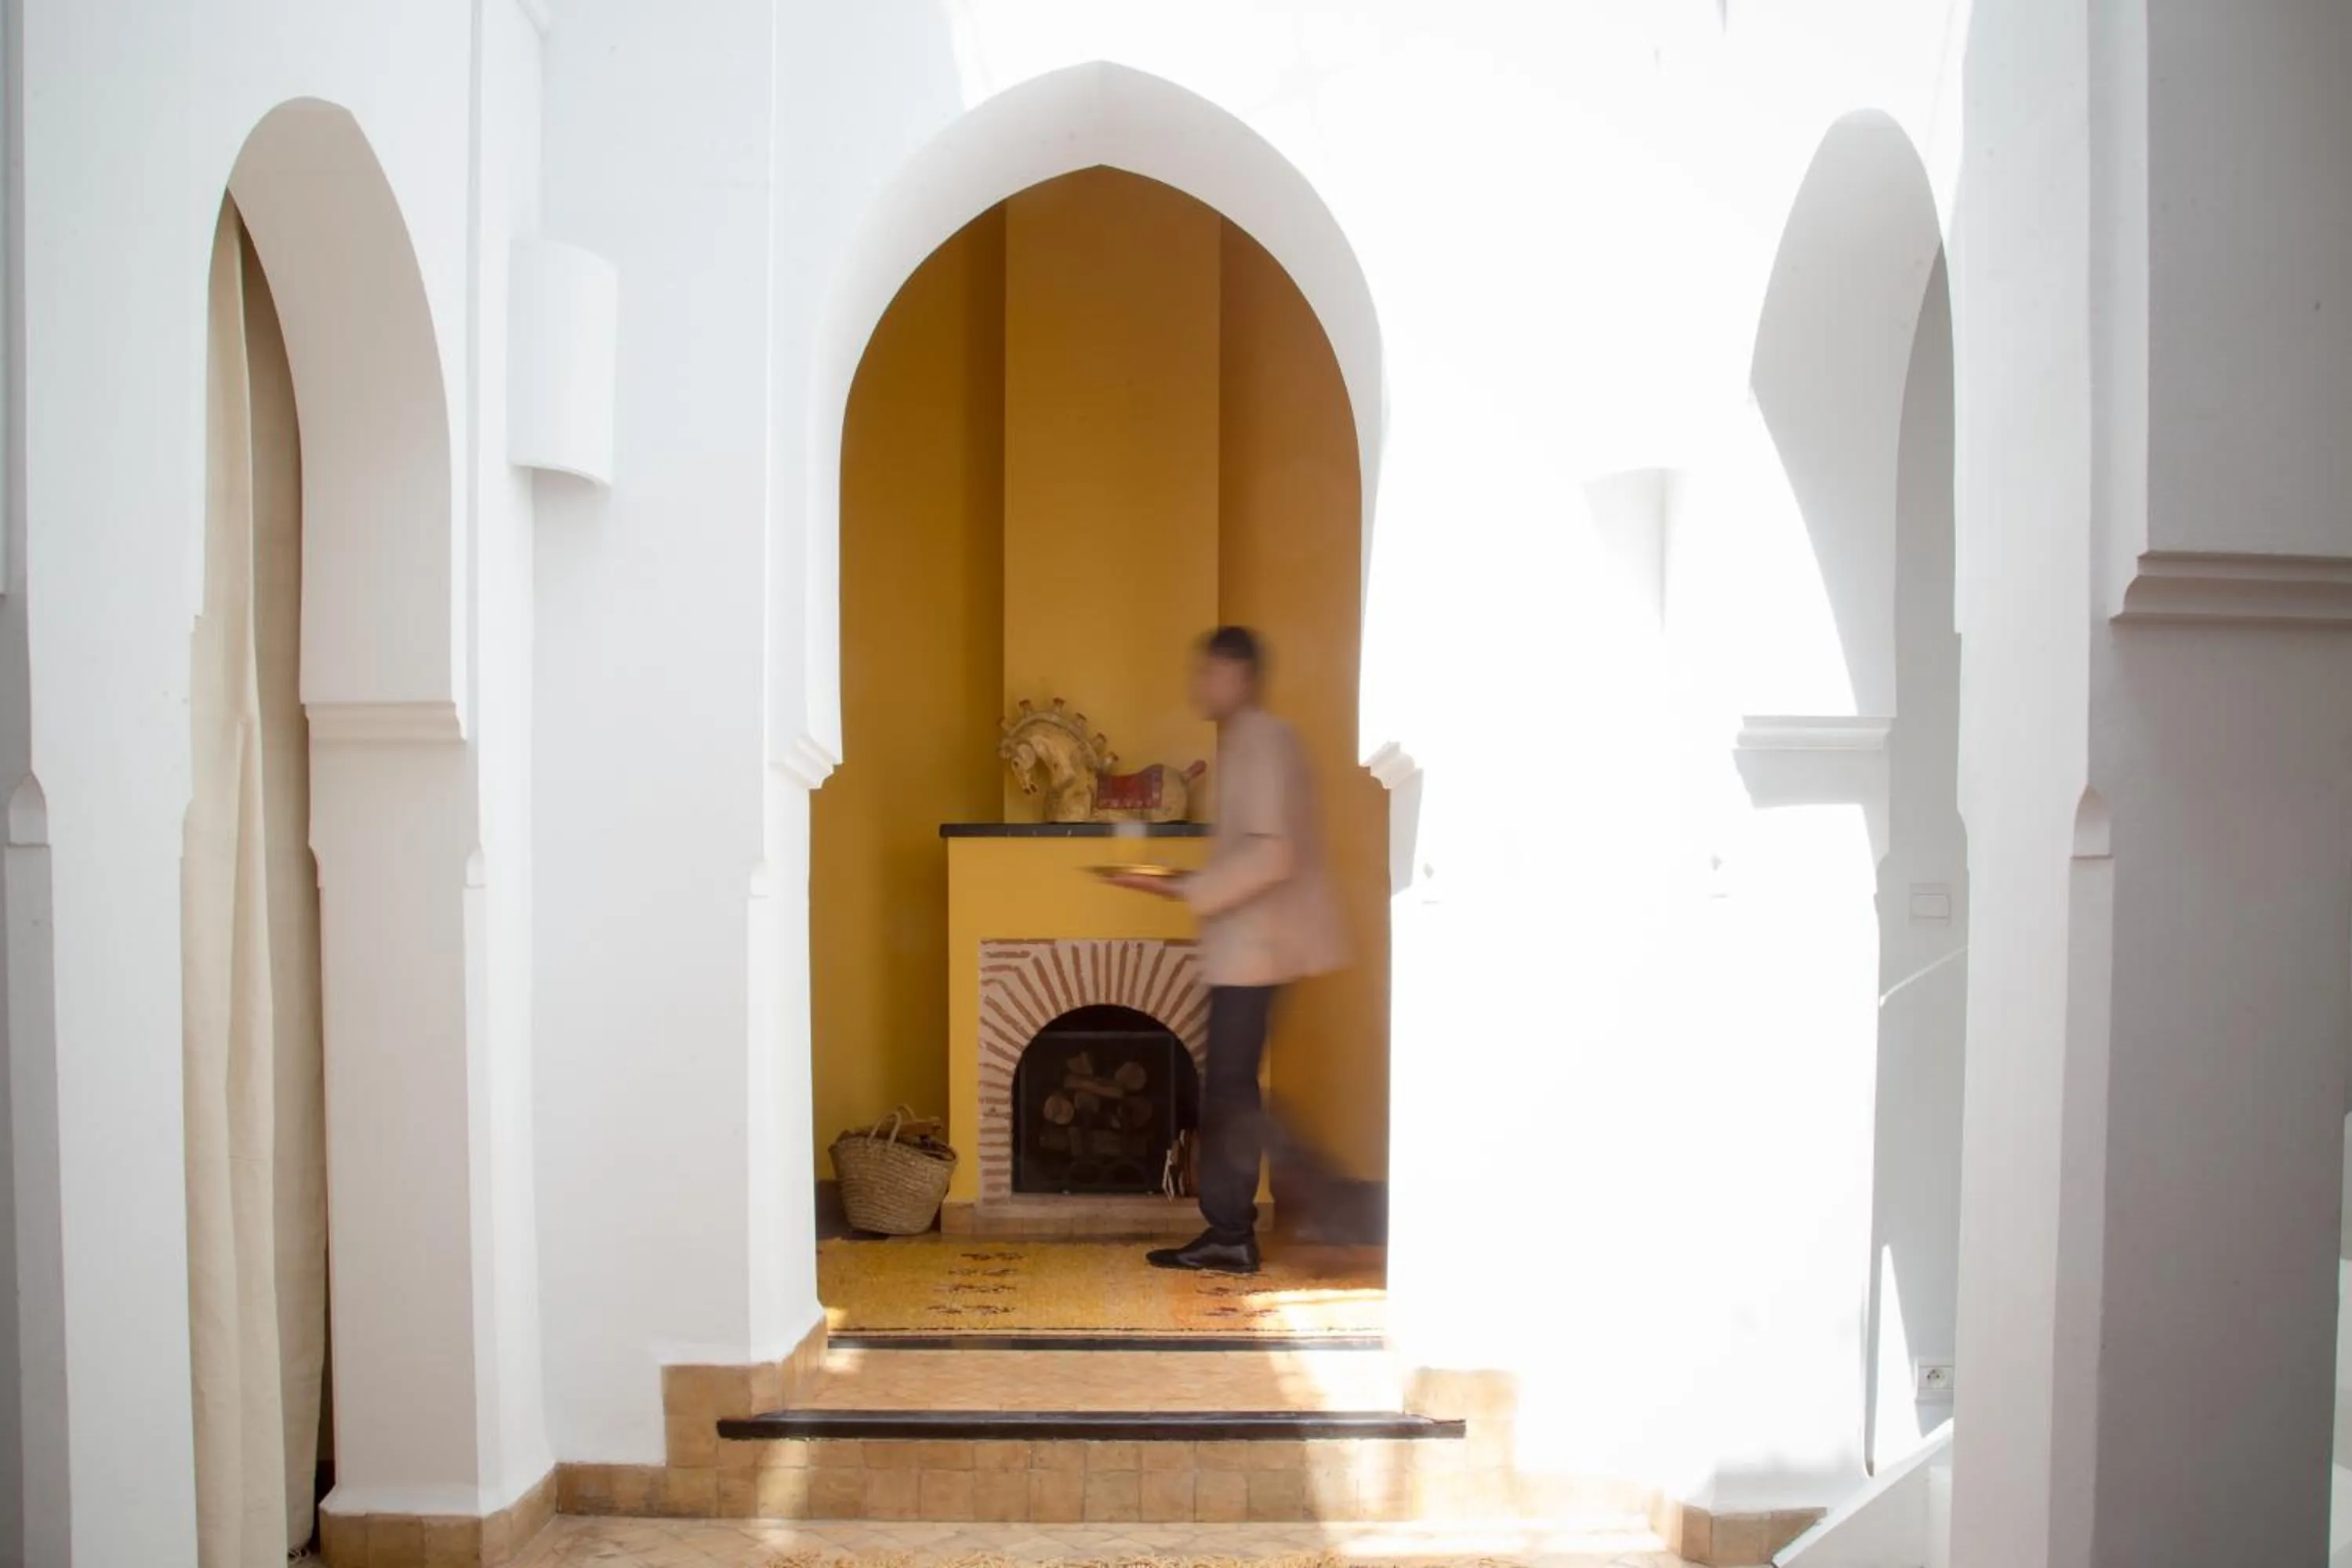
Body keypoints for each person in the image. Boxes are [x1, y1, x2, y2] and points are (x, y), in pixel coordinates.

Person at [1109, 626, 1347, 1274]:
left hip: (1259, 949)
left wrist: (1193, 889)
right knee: (1232, 1091)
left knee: (1230, 1094)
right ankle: (1252, 1224)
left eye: (1209, 672)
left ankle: (1269, 1221)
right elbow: (1252, 855)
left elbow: (1273, 854)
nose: (1200, 684)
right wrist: (1178, 883)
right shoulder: (1249, 741)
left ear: (1240, 676)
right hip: (1252, 947)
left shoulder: (1262, 742)